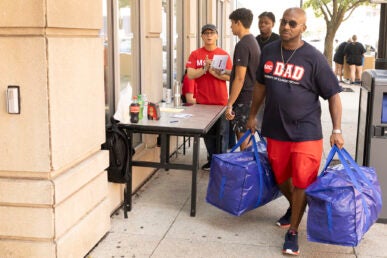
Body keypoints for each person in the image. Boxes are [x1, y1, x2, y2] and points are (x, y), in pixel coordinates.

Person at [246, 7, 344, 256]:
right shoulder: (268, 51)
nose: (286, 26)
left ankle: (293, 232)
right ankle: (296, 208)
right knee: (281, 179)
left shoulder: (313, 57)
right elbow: (260, 85)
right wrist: (252, 116)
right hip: (275, 130)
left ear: (303, 28)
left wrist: (337, 129)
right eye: (284, 22)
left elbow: (333, 95)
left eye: (293, 23)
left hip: (306, 133)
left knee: (301, 181)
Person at [186, 24, 232, 170]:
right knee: (208, 134)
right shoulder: (195, 54)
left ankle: (222, 163)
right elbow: (190, 74)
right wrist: (204, 68)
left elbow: (229, 76)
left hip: (220, 101)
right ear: (202, 36)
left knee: (222, 134)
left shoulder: (223, 55)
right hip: (202, 102)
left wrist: (211, 70)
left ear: (217, 35)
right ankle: (212, 160)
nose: (209, 35)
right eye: (206, 33)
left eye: (212, 33)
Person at [224, 8, 261, 151]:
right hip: (251, 97)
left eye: (232, 23)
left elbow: (240, 78)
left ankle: (247, 172)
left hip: (243, 100)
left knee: (243, 142)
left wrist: (230, 104)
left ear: (238, 23)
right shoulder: (253, 42)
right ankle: (250, 170)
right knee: (247, 140)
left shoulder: (243, 45)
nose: (230, 27)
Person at [255, 11, 280, 130]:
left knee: (272, 118)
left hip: (274, 84)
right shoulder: (254, 41)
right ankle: (261, 144)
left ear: (273, 24)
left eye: (266, 22)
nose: (262, 25)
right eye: (260, 22)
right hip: (258, 84)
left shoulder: (279, 41)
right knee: (258, 119)